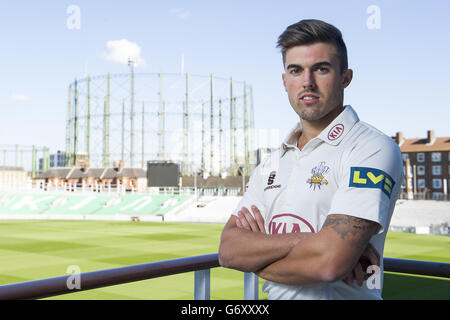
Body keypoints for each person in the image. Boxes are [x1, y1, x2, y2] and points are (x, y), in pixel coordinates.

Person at [218, 19, 403, 300]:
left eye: (321, 69)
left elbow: (328, 264)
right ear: (284, 81)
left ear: (345, 77)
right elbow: (229, 250)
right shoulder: (271, 162)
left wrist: (255, 255)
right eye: (296, 70)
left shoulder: (371, 147)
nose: (307, 82)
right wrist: (313, 239)